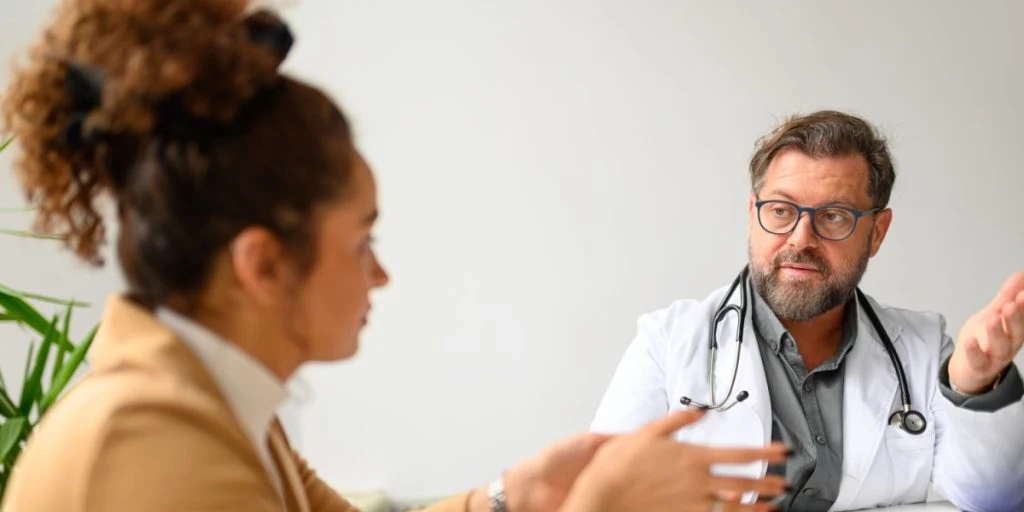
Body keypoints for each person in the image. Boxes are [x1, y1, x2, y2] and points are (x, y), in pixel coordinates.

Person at [0, 1, 792, 511]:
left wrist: (512, 496)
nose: (381, 273)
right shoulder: (146, 453)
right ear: (263, 265)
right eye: (362, 240)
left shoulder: (224, 413)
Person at [589, 110, 1024, 511]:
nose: (800, 239)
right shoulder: (668, 343)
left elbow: (993, 500)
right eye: (780, 211)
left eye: (833, 216)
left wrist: (976, 383)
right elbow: (599, 496)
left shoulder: (922, 351)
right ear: (752, 214)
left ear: (877, 232)